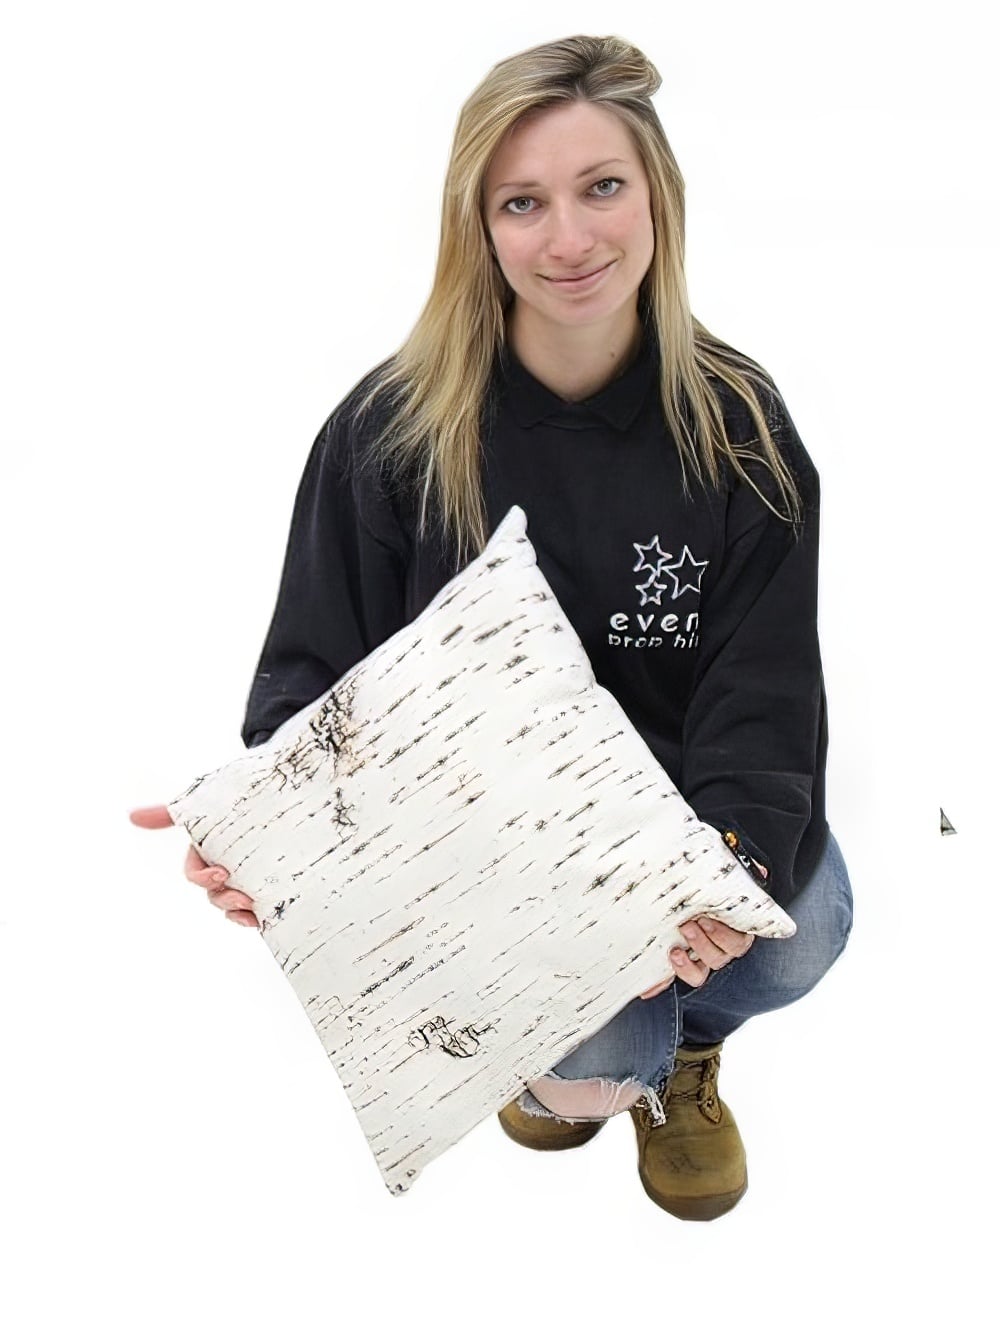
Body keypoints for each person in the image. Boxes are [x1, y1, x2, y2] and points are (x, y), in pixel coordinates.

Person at [130, 33, 853, 1221]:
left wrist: (730, 869)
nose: (568, 239)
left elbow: (763, 688)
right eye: (523, 203)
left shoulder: (738, 428)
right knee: (591, 1066)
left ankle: (685, 1053)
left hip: (674, 833)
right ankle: (605, 1064)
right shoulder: (387, 432)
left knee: (804, 929)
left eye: (601, 187)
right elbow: (310, 680)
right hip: (483, 859)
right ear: (478, 224)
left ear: (658, 198)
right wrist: (256, 832)